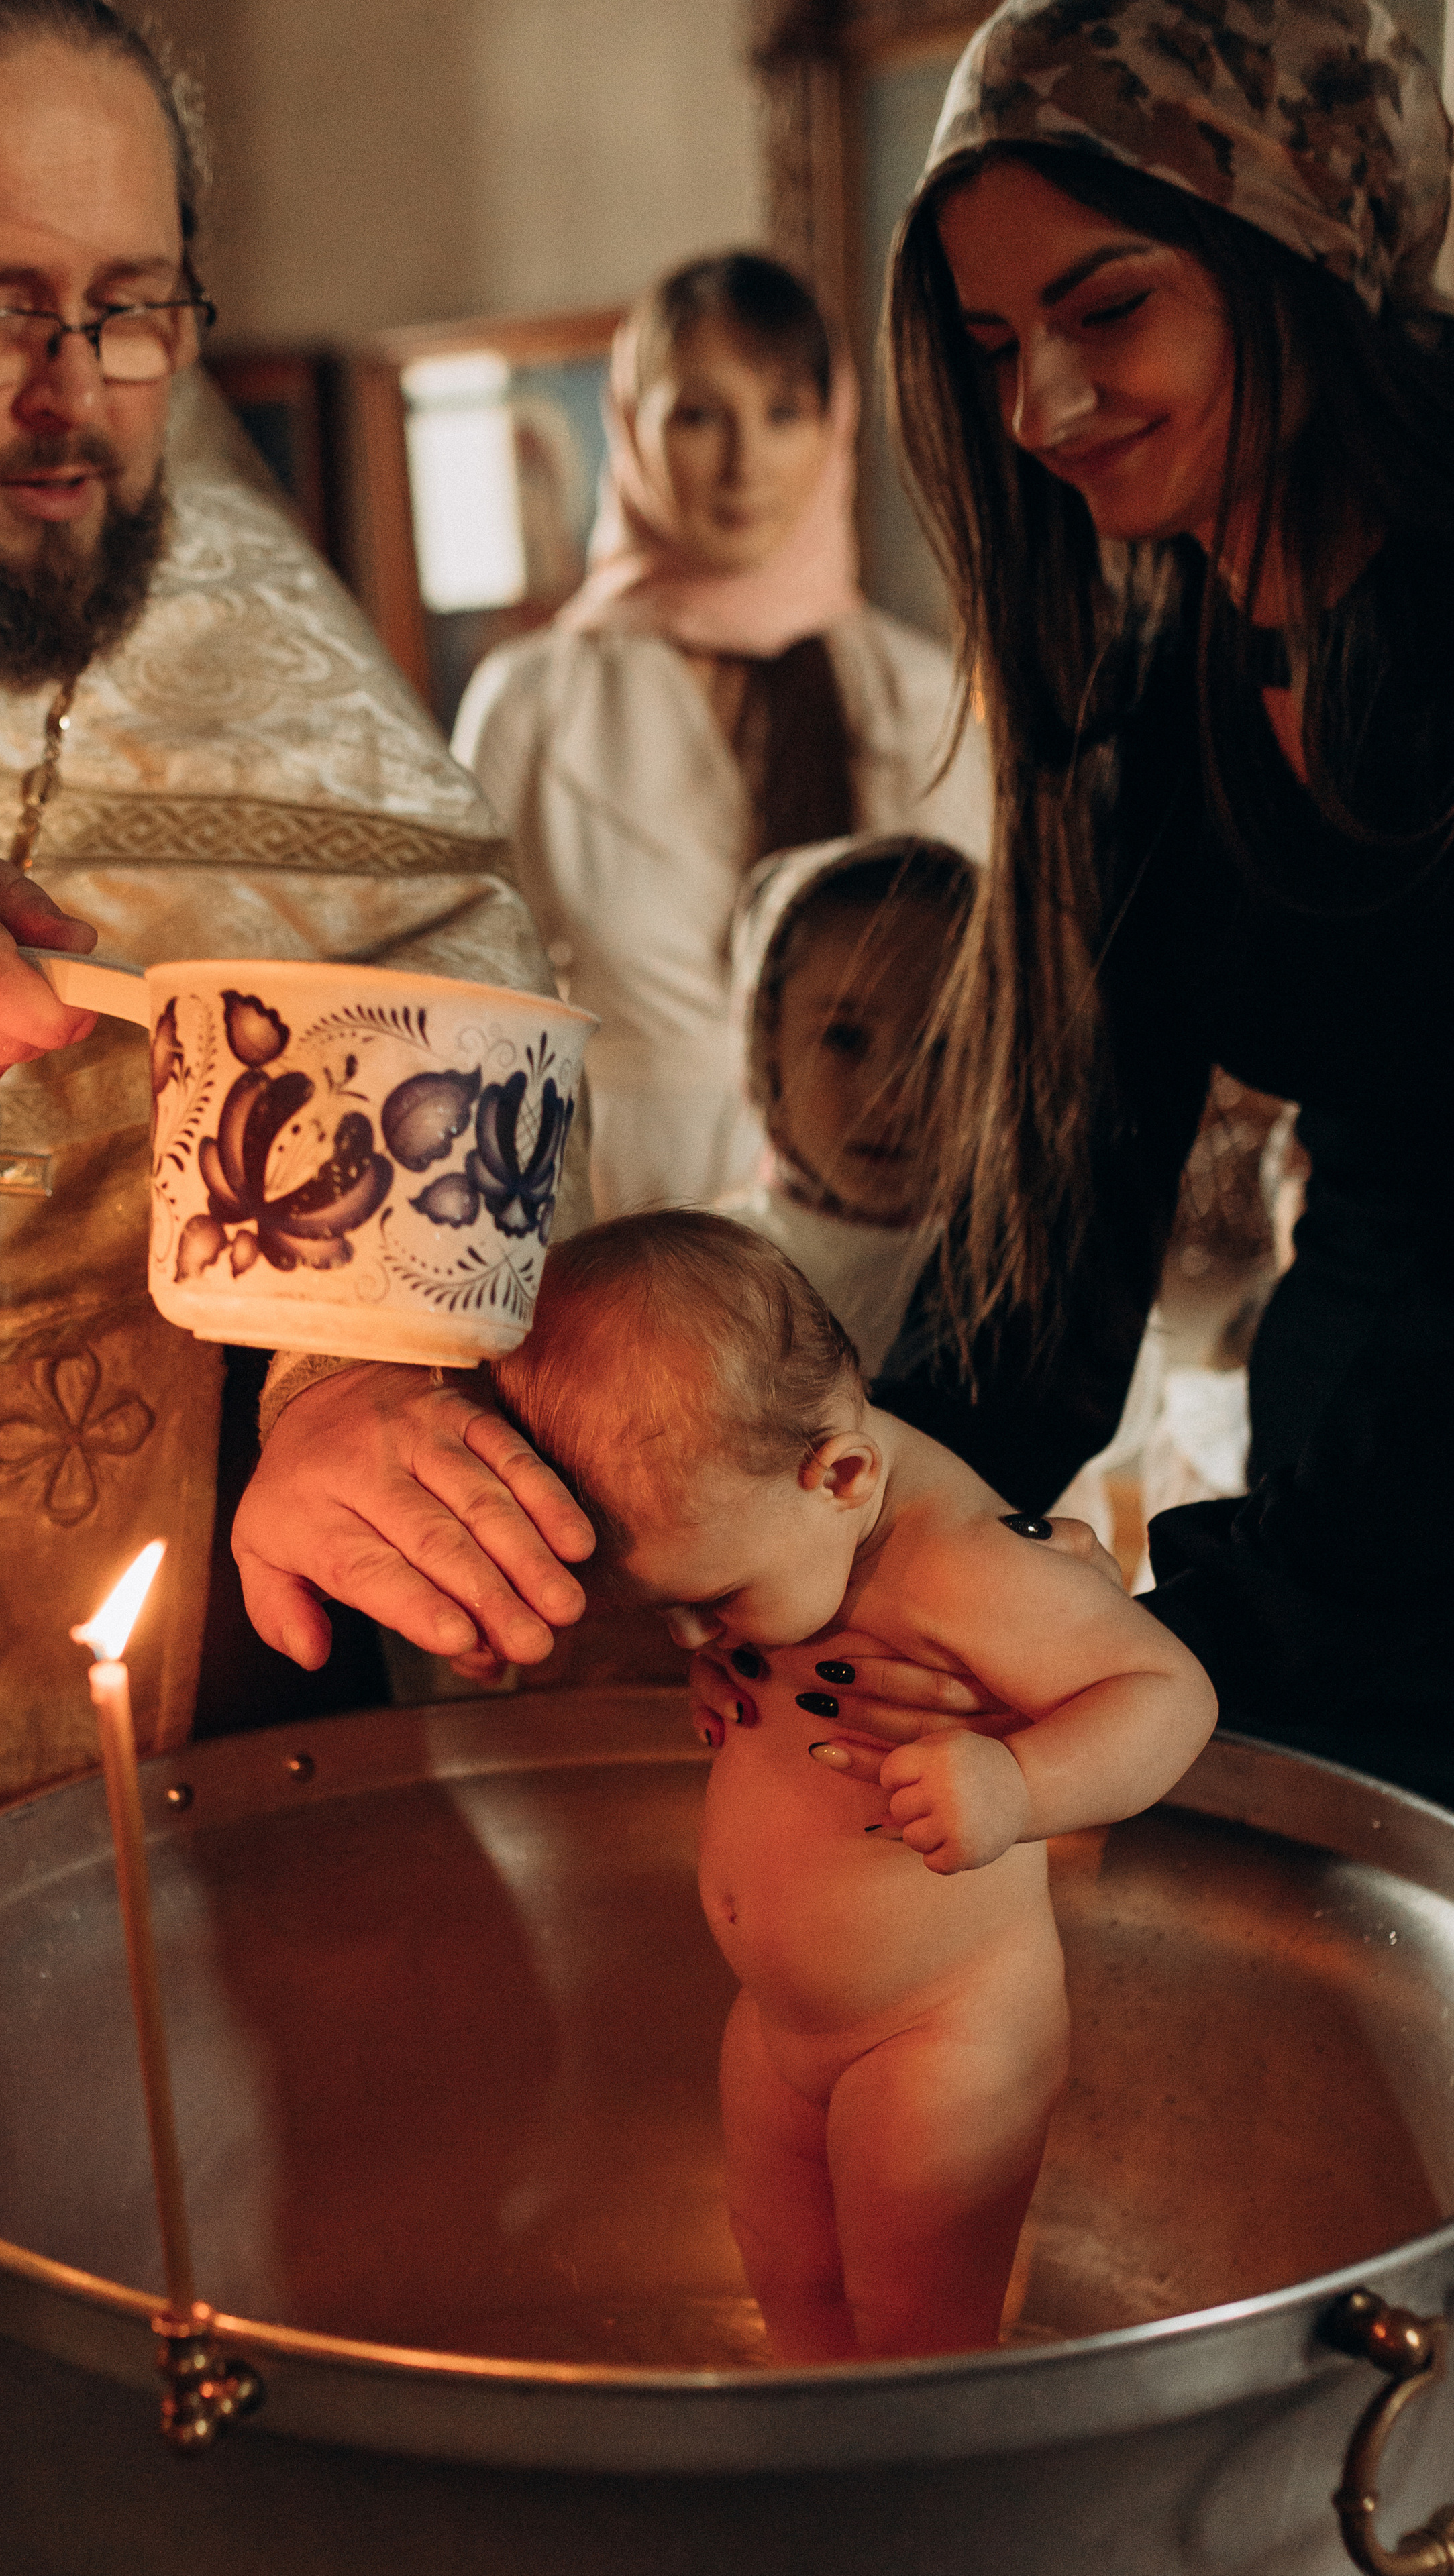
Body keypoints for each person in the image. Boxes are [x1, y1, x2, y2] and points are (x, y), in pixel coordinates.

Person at [0, 2, 581, 2559]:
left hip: (81, 1870)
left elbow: (442, 1039)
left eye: (133, 305)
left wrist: (339, 1376)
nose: (73, 395)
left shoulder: (275, 662)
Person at [689, 0, 1454, 1809]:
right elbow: (1051, 1266)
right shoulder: (1144, 716)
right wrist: (815, 1536)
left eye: (1106, 310)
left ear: (1304, 241)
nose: (1036, 407)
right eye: (988, 343)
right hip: (1349, 1535)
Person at [489, 1212, 1215, 2359]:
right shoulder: (783, 1514)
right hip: (780, 2022)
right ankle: (823, 2482)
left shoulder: (966, 1570)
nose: (690, 1630)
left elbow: (1169, 1695)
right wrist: (727, 1667)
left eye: (714, 1600)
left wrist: (1017, 1784)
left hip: (940, 2037)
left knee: (920, 2332)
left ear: (841, 1472)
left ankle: (923, 2513)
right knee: (788, 2283)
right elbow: (762, 1653)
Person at [449, 251, 990, 1220]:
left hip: (885, 1222)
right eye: (700, 415)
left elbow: (986, 993)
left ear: (836, 426)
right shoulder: (535, 698)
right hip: (621, 1219)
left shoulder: (919, 694)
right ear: (631, 428)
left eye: (784, 412)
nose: (746, 462)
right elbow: (458, 1011)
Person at [721, 831, 976, 1377]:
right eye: (844, 1037)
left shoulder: (1027, 1284)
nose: (896, 1097)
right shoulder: (708, 1281)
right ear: (766, 1042)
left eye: (943, 1046)